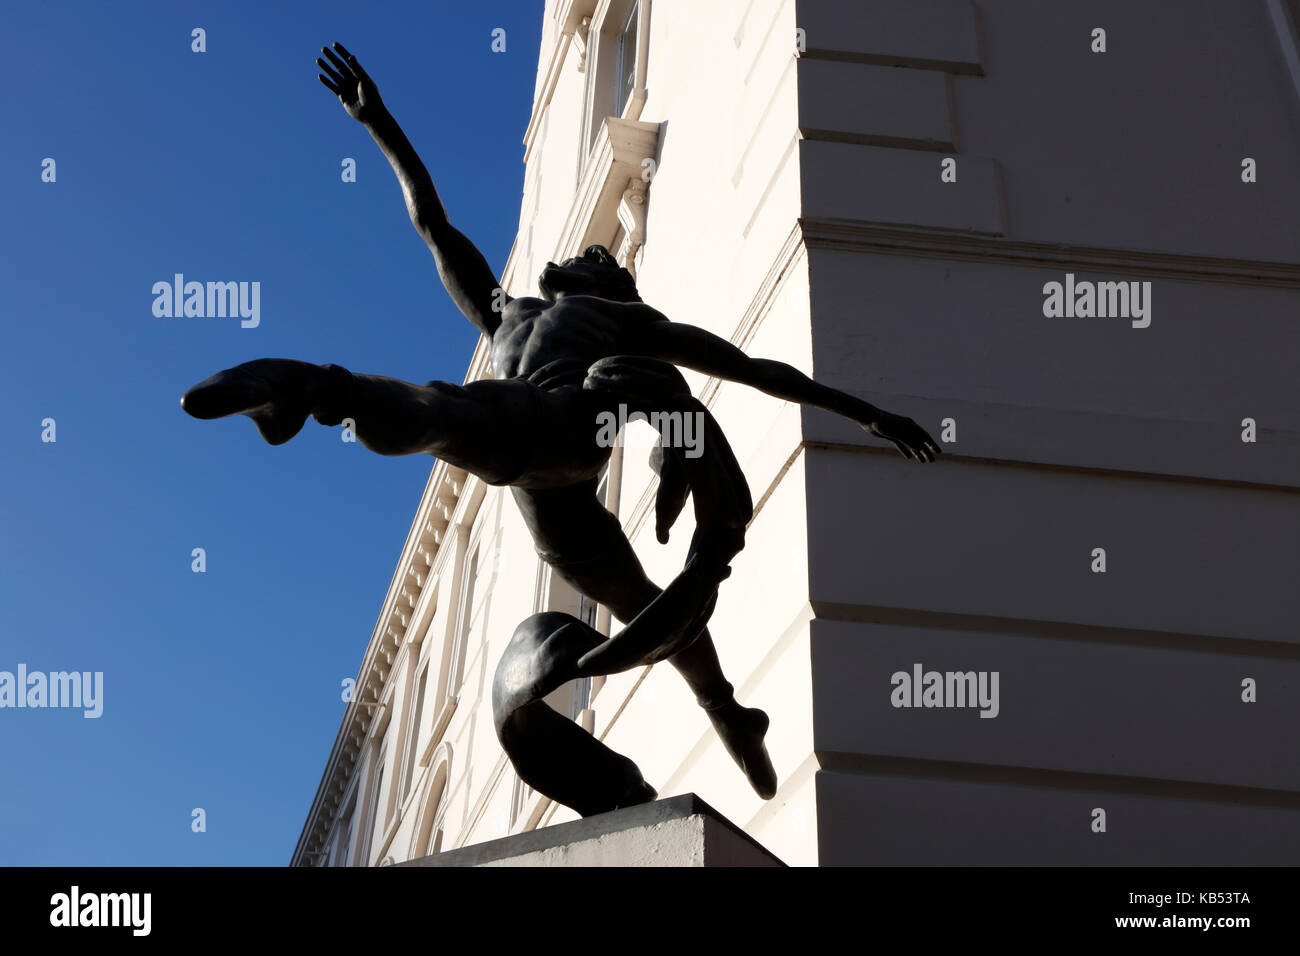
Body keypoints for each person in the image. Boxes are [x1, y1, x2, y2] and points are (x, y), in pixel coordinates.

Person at [181, 43, 940, 802]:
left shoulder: (617, 318)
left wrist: (867, 413)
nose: (591, 253)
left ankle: (312, 390)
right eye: (592, 252)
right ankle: (730, 710)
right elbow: (432, 223)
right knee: (643, 602)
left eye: (602, 257)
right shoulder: (503, 312)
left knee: (445, 410)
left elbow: (751, 369)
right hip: (547, 496)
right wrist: (379, 122)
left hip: (568, 422)